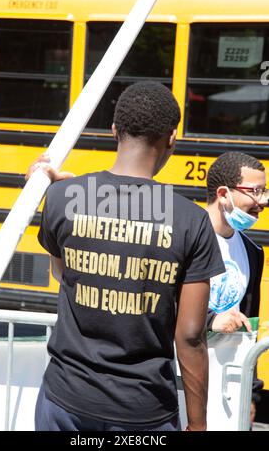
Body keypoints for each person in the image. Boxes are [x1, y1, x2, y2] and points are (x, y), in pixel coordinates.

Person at [31, 81, 225, 432]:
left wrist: (60, 190)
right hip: (143, 409)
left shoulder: (62, 197)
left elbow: (64, 275)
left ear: (114, 131)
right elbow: (191, 336)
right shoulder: (191, 221)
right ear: (171, 138)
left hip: (64, 400)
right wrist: (198, 424)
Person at [205, 151, 266, 403]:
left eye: (264, 191)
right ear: (223, 194)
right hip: (178, 381)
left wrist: (251, 394)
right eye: (254, 191)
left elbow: (248, 325)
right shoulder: (183, 240)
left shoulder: (253, 251)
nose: (262, 201)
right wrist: (211, 320)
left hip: (229, 387)